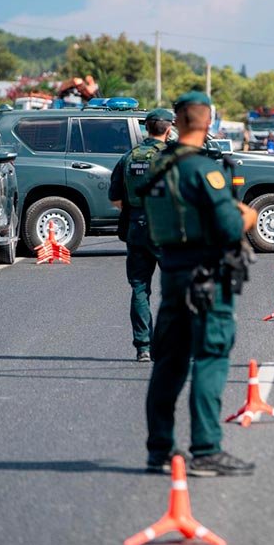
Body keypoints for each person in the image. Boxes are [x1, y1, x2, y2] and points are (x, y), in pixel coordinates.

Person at [141, 91, 258, 477]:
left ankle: (160, 449)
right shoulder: (204, 170)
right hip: (206, 276)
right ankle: (206, 449)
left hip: (173, 272)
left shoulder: (159, 166)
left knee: (170, 361)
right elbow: (228, 226)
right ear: (207, 122)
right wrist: (247, 216)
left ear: (177, 122)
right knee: (211, 356)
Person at [109, 108, 173, 362]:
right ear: (168, 129)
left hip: (136, 227)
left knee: (139, 288)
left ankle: (143, 347)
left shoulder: (129, 157)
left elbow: (116, 200)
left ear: (147, 128)